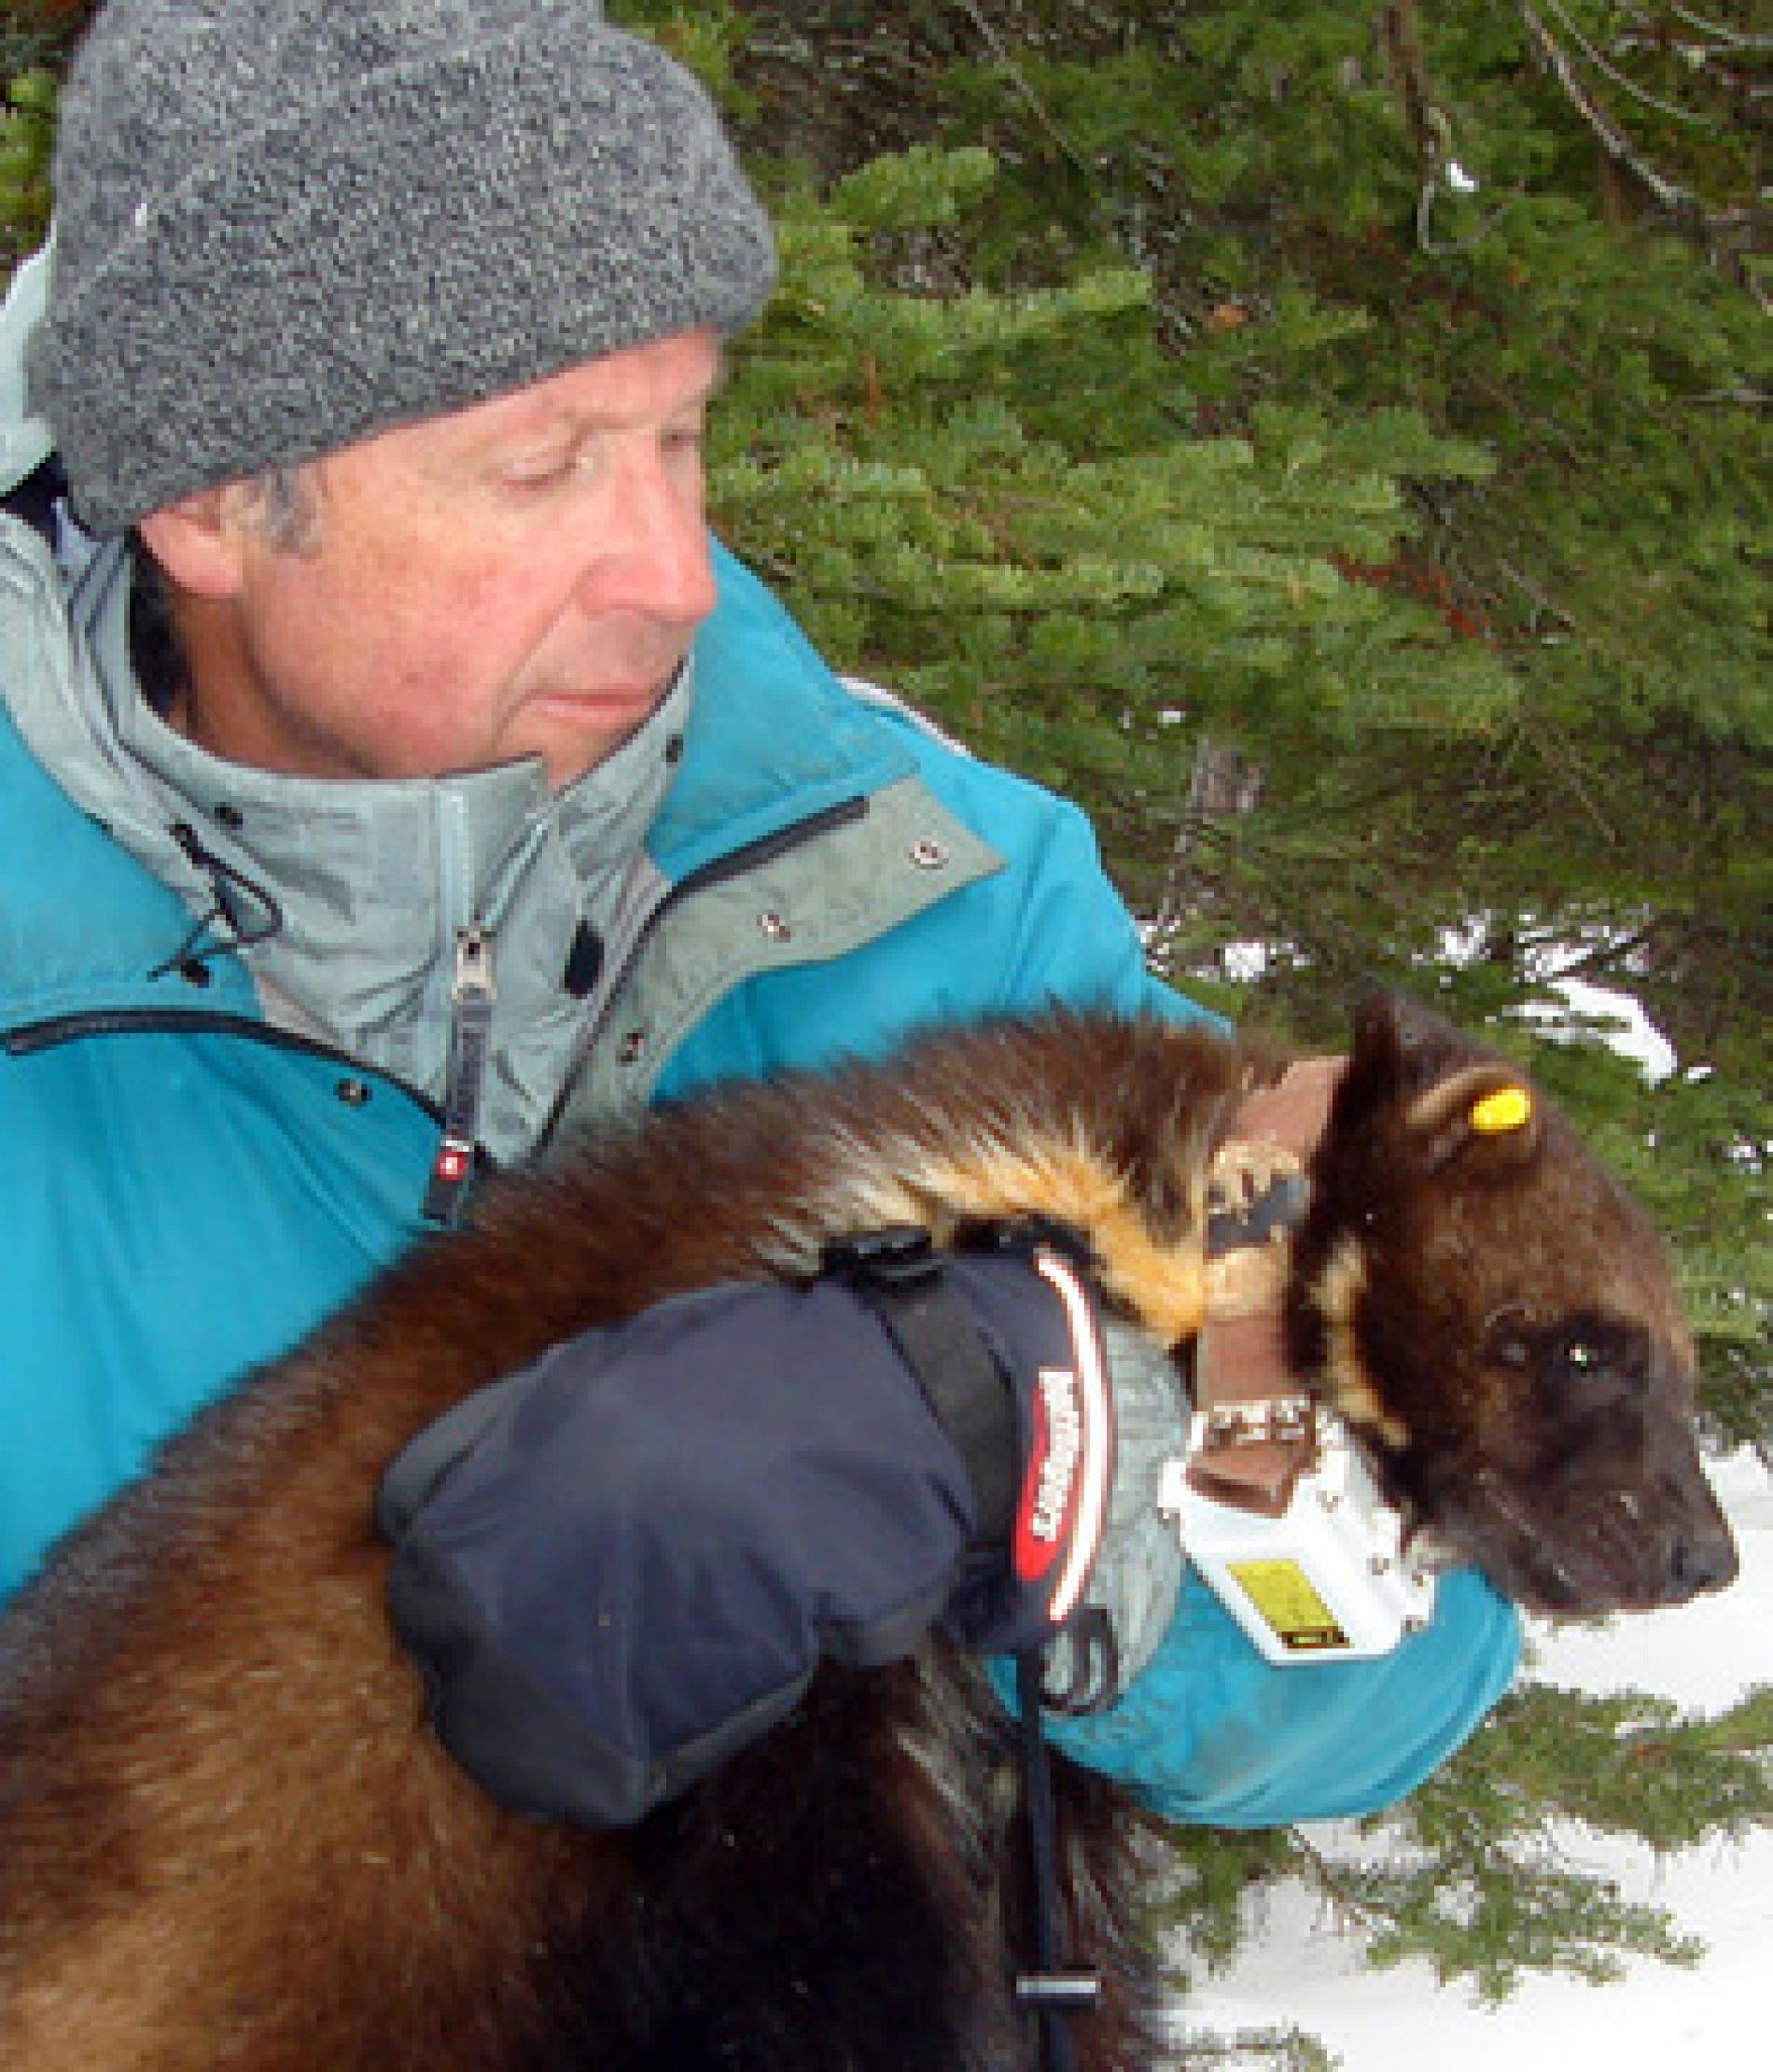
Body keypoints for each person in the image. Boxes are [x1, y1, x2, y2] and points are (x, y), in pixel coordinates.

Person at [0, 0, 1517, 1833]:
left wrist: (1044, 1449)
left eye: (676, 440)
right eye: (543, 465)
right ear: (211, 504)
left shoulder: (918, 898)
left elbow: (1390, 1670)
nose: (667, 576)